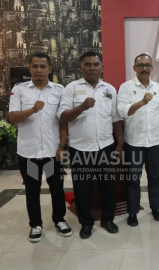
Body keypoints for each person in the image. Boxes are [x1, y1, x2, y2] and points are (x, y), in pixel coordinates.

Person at [58, 51, 124, 239]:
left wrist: (119, 144)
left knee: (108, 188)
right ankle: (86, 224)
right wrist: (82, 107)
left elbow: (116, 118)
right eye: (87, 64)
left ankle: (107, 219)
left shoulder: (109, 89)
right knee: (82, 190)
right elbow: (63, 117)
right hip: (80, 149)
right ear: (80, 67)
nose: (92, 68)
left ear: (102, 67)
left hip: (106, 147)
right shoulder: (71, 88)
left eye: (96, 64)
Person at [8, 52, 72, 242]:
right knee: (32, 189)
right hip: (29, 152)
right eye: (35, 66)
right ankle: (35, 225)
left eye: (43, 67)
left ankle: (59, 220)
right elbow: (12, 118)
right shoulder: (19, 89)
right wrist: (32, 110)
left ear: (50, 69)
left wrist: (62, 146)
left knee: (57, 188)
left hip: (53, 152)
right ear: (29, 69)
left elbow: (63, 122)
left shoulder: (59, 90)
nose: (38, 70)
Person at [117, 53, 159, 226]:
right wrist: (141, 102)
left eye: (147, 65)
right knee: (133, 179)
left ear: (152, 68)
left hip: (154, 141)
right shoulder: (125, 87)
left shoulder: (158, 88)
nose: (144, 68)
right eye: (140, 65)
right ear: (134, 68)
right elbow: (123, 111)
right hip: (134, 142)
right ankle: (132, 212)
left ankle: (156, 208)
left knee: (155, 178)